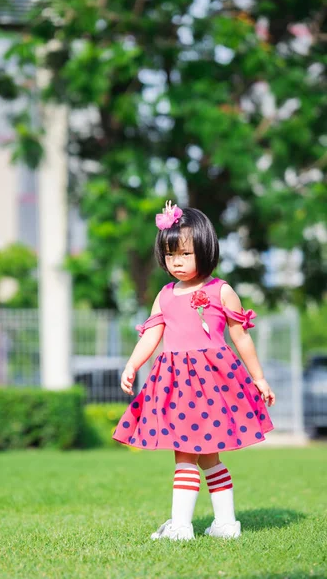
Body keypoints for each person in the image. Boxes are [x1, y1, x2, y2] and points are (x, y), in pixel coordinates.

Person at [112, 201, 276, 541]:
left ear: (205, 248)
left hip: (214, 383)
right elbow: (152, 335)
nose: (177, 262)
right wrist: (132, 363)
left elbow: (240, 338)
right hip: (175, 383)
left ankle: (183, 526)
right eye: (171, 255)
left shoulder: (221, 291)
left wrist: (258, 378)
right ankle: (225, 523)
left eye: (185, 254)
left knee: (193, 456)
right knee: (199, 456)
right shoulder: (165, 295)